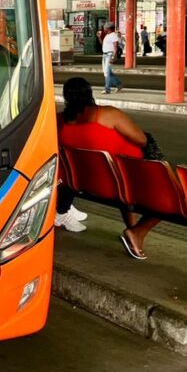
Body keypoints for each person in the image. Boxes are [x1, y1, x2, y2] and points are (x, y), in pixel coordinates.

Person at [58, 77, 161, 258]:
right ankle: (137, 232)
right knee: (168, 193)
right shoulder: (107, 114)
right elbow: (141, 140)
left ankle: (132, 229)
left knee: (119, 176)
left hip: (88, 182)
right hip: (121, 182)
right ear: (89, 93)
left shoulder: (59, 121)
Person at [100, 22, 122, 94]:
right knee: (107, 73)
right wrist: (99, 37)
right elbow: (103, 45)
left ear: (108, 28)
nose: (103, 28)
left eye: (105, 27)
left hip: (109, 55)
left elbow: (116, 47)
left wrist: (114, 57)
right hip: (105, 55)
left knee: (107, 73)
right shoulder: (107, 35)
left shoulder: (113, 35)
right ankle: (119, 84)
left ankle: (107, 89)